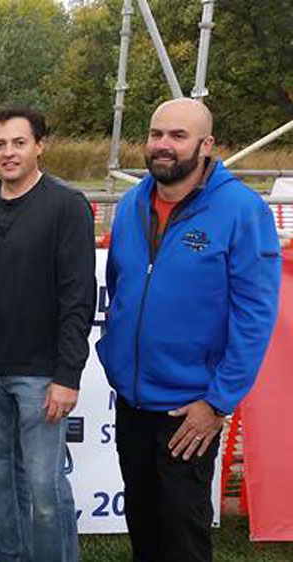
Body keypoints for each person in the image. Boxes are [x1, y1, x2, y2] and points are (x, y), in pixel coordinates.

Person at [97, 98, 281, 562]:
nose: (163, 144)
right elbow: (120, 285)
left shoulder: (242, 211)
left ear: (207, 145)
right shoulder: (133, 203)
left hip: (189, 410)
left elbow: (255, 316)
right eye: (156, 134)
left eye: (178, 136)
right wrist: (112, 353)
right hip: (132, 402)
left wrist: (217, 402)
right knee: (144, 526)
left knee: (182, 535)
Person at [0, 106, 95, 562]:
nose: (8, 152)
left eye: (18, 142)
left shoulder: (67, 205)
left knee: (44, 487)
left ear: (39, 146)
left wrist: (67, 376)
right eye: (0, 144)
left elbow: (78, 297)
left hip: (41, 373)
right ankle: (7, 555)